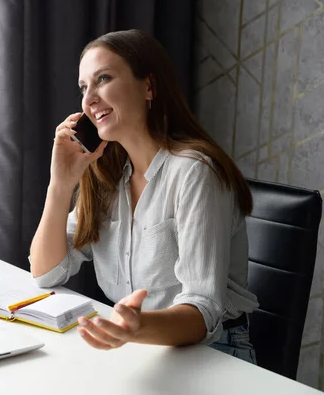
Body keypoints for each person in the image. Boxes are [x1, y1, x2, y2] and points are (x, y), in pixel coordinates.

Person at [28, 29, 259, 363]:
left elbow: (203, 311)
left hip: (214, 354)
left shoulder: (195, 173)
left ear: (148, 87)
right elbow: (46, 272)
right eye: (83, 87)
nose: (89, 99)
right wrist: (60, 185)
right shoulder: (107, 177)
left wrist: (136, 328)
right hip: (138, 348)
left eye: (103, 79)